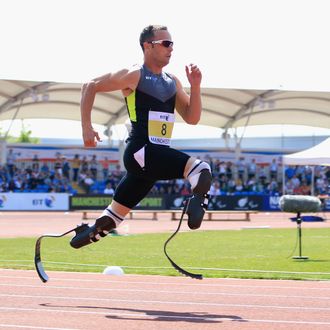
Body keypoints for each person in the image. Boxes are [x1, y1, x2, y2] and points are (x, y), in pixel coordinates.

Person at [70, 25, 212, 249]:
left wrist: (195, 87)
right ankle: (199, 205)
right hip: (141, 150)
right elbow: (89, 86)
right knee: (201, 170)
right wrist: (86, 127)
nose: (171, 48)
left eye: (172, 44)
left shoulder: (172, 81)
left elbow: (192, 117)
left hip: (152, 159)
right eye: (166, 43)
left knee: (113, 217)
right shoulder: (135, 74)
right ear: (148, 46)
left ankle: (82, 236)